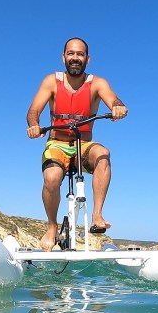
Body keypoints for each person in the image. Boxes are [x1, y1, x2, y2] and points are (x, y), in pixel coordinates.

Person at [26, 37, 128, 251]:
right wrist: (34, 124)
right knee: (52, 178)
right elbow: (34, 110)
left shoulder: (97, 83)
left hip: (83, 146)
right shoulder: (51, 81)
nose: (75, 58)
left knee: (103, 153)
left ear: (87, 59)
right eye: (71, 53)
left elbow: (113, 99)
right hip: (57, 144)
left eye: (80, 54)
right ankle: (52, 226)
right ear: (63, 57)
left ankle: (97, 216)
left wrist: (118, 107)